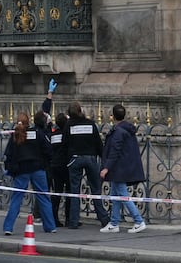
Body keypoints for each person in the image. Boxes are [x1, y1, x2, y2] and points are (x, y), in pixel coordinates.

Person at [1, 110, 57, 235]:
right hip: (38, 168)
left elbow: (8, 155)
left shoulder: (15, 136)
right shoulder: (37, 133)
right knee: (43, 197)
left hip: (21, 170)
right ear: (29, 122)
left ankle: (8, 227)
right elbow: (48, 150)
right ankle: (50, 226)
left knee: (16, 199)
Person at [99, 103, 146, 234]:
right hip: (121, 168)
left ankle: (138, 220)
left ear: (112, 116)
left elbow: (115, 151)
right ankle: (114, 223)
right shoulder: (127, 129)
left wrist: (106, 168)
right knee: (115, 196)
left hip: (119, 169)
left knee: (123, 196)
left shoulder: (118, 132)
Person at [63, 100, 107, 229]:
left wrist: (68, 159)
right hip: (90, 157)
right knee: (95, 189)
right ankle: (103, 218)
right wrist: (102, 158)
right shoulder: (90, 124)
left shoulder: (68, 126)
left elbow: (64, 144)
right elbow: (98, 143)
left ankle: (74, 221)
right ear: (80, 111)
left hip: (75, 158)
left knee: (75, 191)